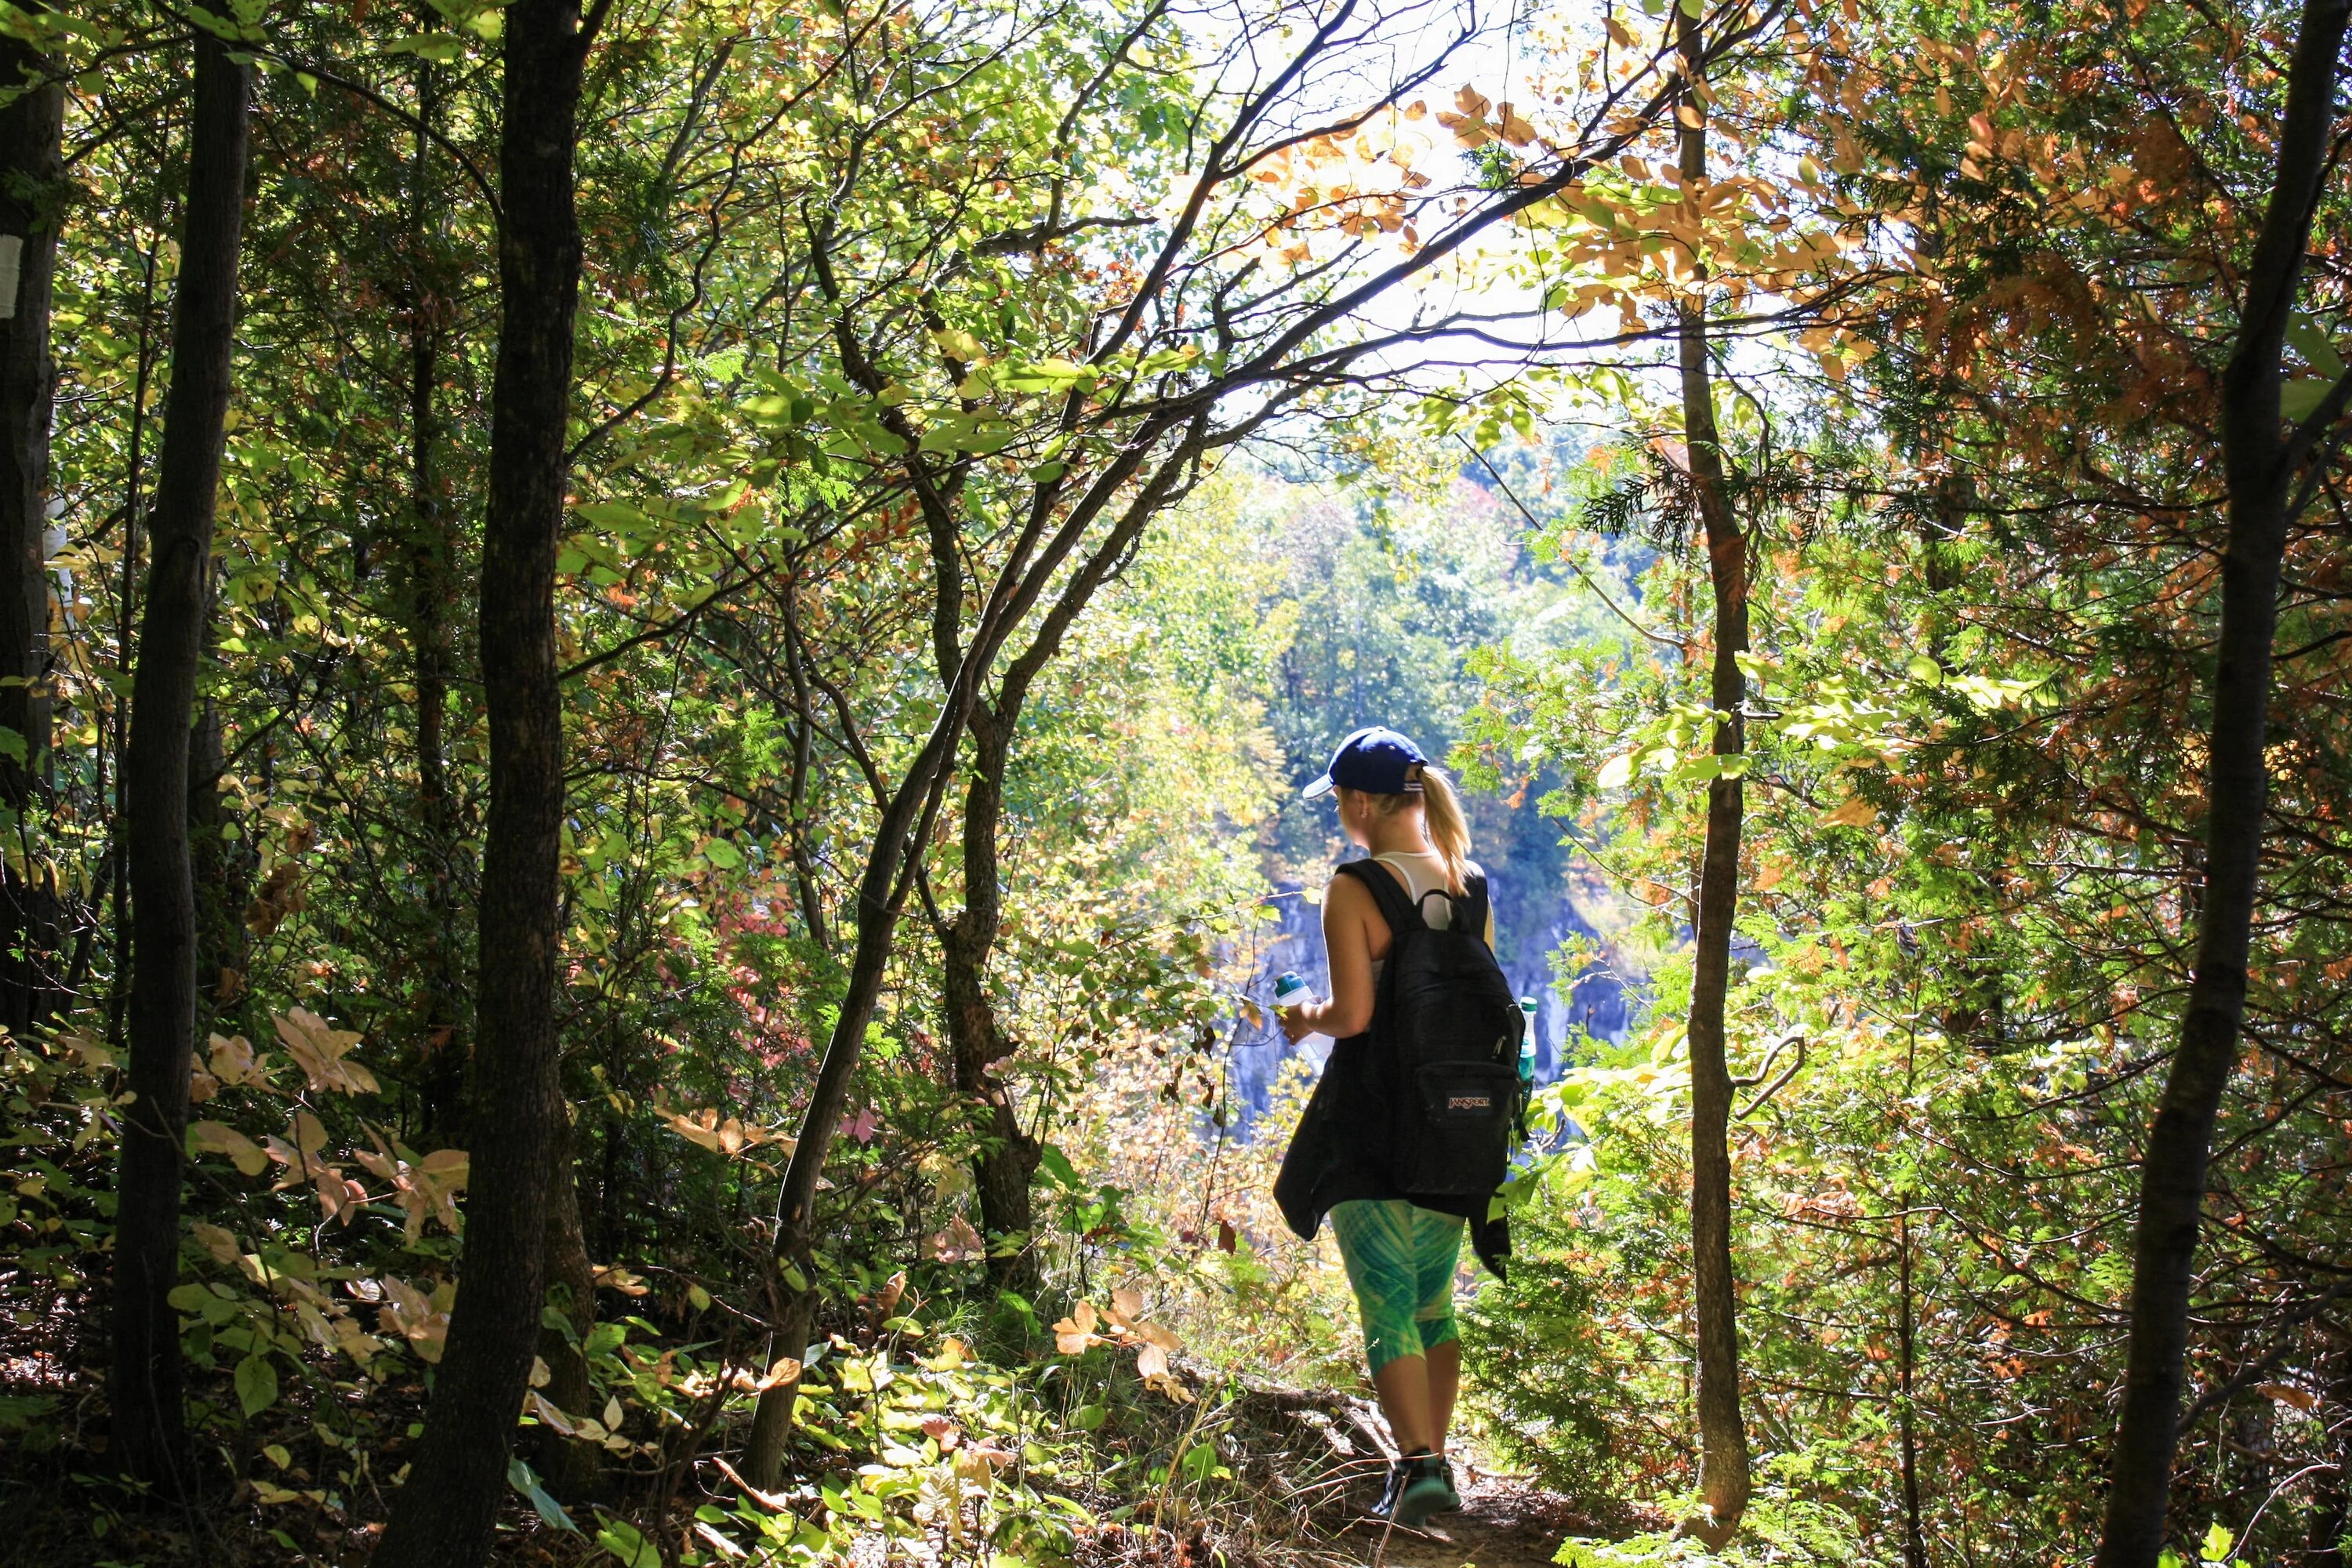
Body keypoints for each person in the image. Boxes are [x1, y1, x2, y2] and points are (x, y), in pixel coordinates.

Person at [1272, 725, 1504, 1529]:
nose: (1338, 811)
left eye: (1339, 798)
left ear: (1364, 801)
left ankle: (1417, 1468)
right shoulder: (1469, 883)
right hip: (1456, 1124)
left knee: (1386, 1300)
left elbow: (1356, 1013)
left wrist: (1305, 1017)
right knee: (1434, 1299)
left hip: (1373, 1119)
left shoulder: (1357, 886)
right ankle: (1432, 1462)